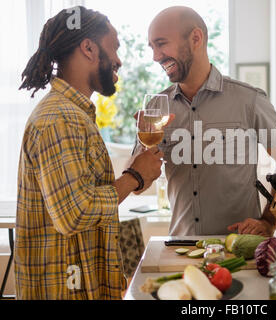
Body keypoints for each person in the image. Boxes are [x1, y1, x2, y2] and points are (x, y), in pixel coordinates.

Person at [15, 6, 164, 300]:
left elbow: (87, 196)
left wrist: (138, 171)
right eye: (115, 48)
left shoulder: (74, 115)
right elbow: (75, 213)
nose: (119, 60)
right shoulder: (60, 118)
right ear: (89, 48)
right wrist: (134, 176)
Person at [146, 6, 276, 237]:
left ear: (196, 38)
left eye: (161, 44)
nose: (156, 56)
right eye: (152, 47)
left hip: (239, 249)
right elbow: (140, 185)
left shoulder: (249, 100)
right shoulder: (156, 108)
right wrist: (143, 158)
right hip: (181, 247)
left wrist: (268, 221)